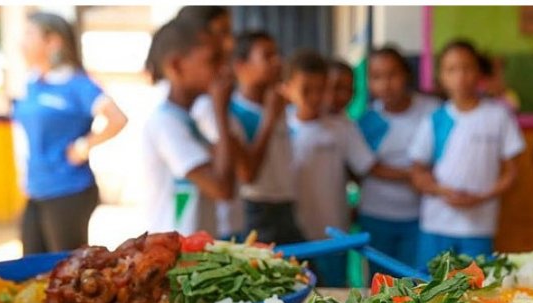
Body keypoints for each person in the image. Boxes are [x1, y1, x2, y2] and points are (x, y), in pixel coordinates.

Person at [12, 11, 127, 255]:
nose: (22, 42)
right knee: (31, 268)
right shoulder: (33, 82)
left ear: (53, 41)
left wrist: (83, 147)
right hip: (36, 190)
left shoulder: (79, 85)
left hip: (68, 190)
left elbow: (118, 119)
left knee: (65, 269)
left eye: (30, 34)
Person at [409, 39, 525, 268]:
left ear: (479, 72)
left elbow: (513, 172)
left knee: (477, 294)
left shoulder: (498, 116)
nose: (460, 76)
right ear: (441, 77)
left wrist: (482, 196)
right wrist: (442, 190)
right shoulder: (434, 119)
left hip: (479, 226)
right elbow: (416, 173)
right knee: (429, 290)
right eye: (451, 69)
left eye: (467, 67)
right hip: (436, 225)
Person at [284, 50, 376, 286]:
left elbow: (365, 168)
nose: (315, 97)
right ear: (288, 87)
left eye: (321, 89)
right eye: (307, 89)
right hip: (293, 233)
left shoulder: (342, 127)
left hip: (333, 234)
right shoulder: (279, 127)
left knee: (333, 295)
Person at [141, 18, 237, 236]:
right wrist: (221, 111)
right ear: (176, 65)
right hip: (175, 252)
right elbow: (222, 188)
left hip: (195, 248)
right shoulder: (165, 123)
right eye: (213, 61)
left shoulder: (188, 119)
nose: (224, 70)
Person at [357, 46, 440, 273]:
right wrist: (413, 174)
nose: (385, 84)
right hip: (376, 215)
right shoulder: (368, 120)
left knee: (414, 282)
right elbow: (367, 167)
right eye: (376, 77)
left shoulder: (431, 111)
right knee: (379, 284)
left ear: (407, 75)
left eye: (392, 74)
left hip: (419, 216)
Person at [231, 31, 303, 244]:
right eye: (267, 56)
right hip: (259, 209)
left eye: (277, 54)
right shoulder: (235, 112)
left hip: (286, 204)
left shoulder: (280, 104)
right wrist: (269, 119)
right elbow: (247, 174)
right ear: (241, 65)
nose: (278, 61)